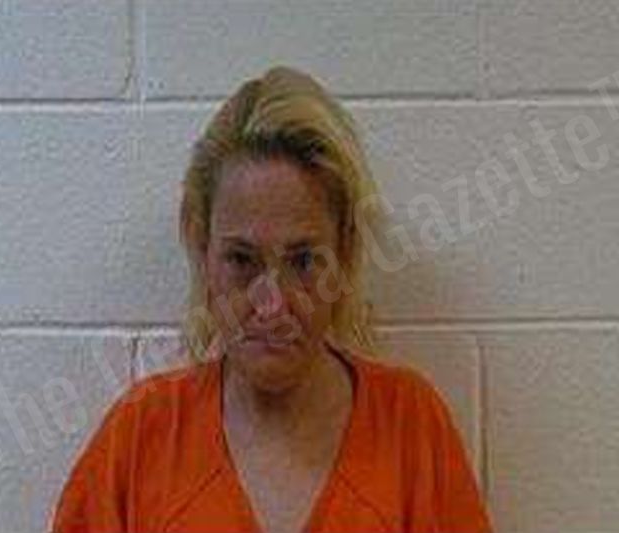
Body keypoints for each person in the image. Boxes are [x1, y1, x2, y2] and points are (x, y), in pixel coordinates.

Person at [50, 66, 492, 533]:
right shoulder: (140, 439)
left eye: (303, 261)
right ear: (203, 251)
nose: (272, 305)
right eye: (242, 260)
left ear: (344, 253)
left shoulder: (411, 428)